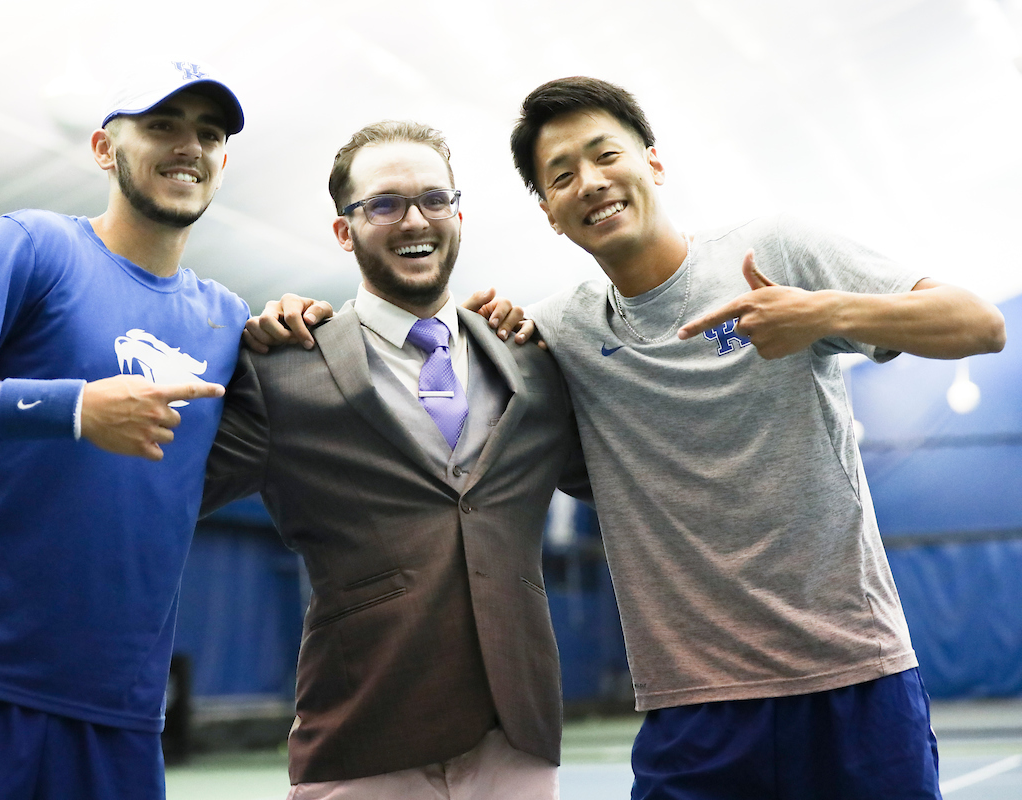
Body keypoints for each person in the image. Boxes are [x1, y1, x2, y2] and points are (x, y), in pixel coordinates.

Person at [505, 76, 1007, 799]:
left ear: (653, 162)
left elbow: (979, 324)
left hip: (854, 678)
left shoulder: (775, 249)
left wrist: (825, 313)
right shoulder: (559, 332)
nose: (590, 182)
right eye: (561, 176)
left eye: (605, 154)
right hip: (693, 709)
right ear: (550, 214)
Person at [0, 60, 253, 800]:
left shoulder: (228, 319)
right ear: (104, 149)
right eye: (162, 125)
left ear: (223, 162)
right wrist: (75, 408)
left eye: (209, 133)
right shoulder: (30, 245)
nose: (189, 146)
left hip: (119, 716)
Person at [203, 120, 589, 800]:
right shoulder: (281, 370)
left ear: (458, 215)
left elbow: (628, 473)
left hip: (517, 739)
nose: (415, 219)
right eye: (384, 204)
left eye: (434, 199)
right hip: (363, 741)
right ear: (344, 230)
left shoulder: (533, 359)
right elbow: (162, 491)